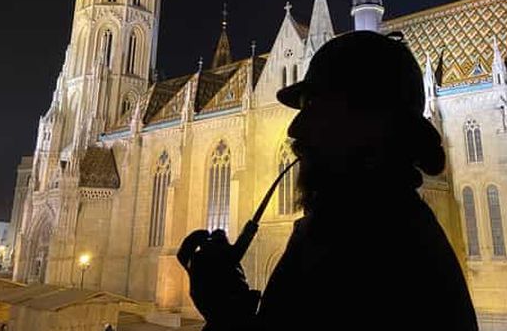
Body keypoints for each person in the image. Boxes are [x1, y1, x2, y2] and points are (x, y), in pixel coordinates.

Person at [179, 31, 479, 330]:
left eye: (314, 107)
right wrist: (230, 309)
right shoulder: (363, 223)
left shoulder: (366, 247)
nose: (295, 129)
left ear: (368, 122)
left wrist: (226, 315)